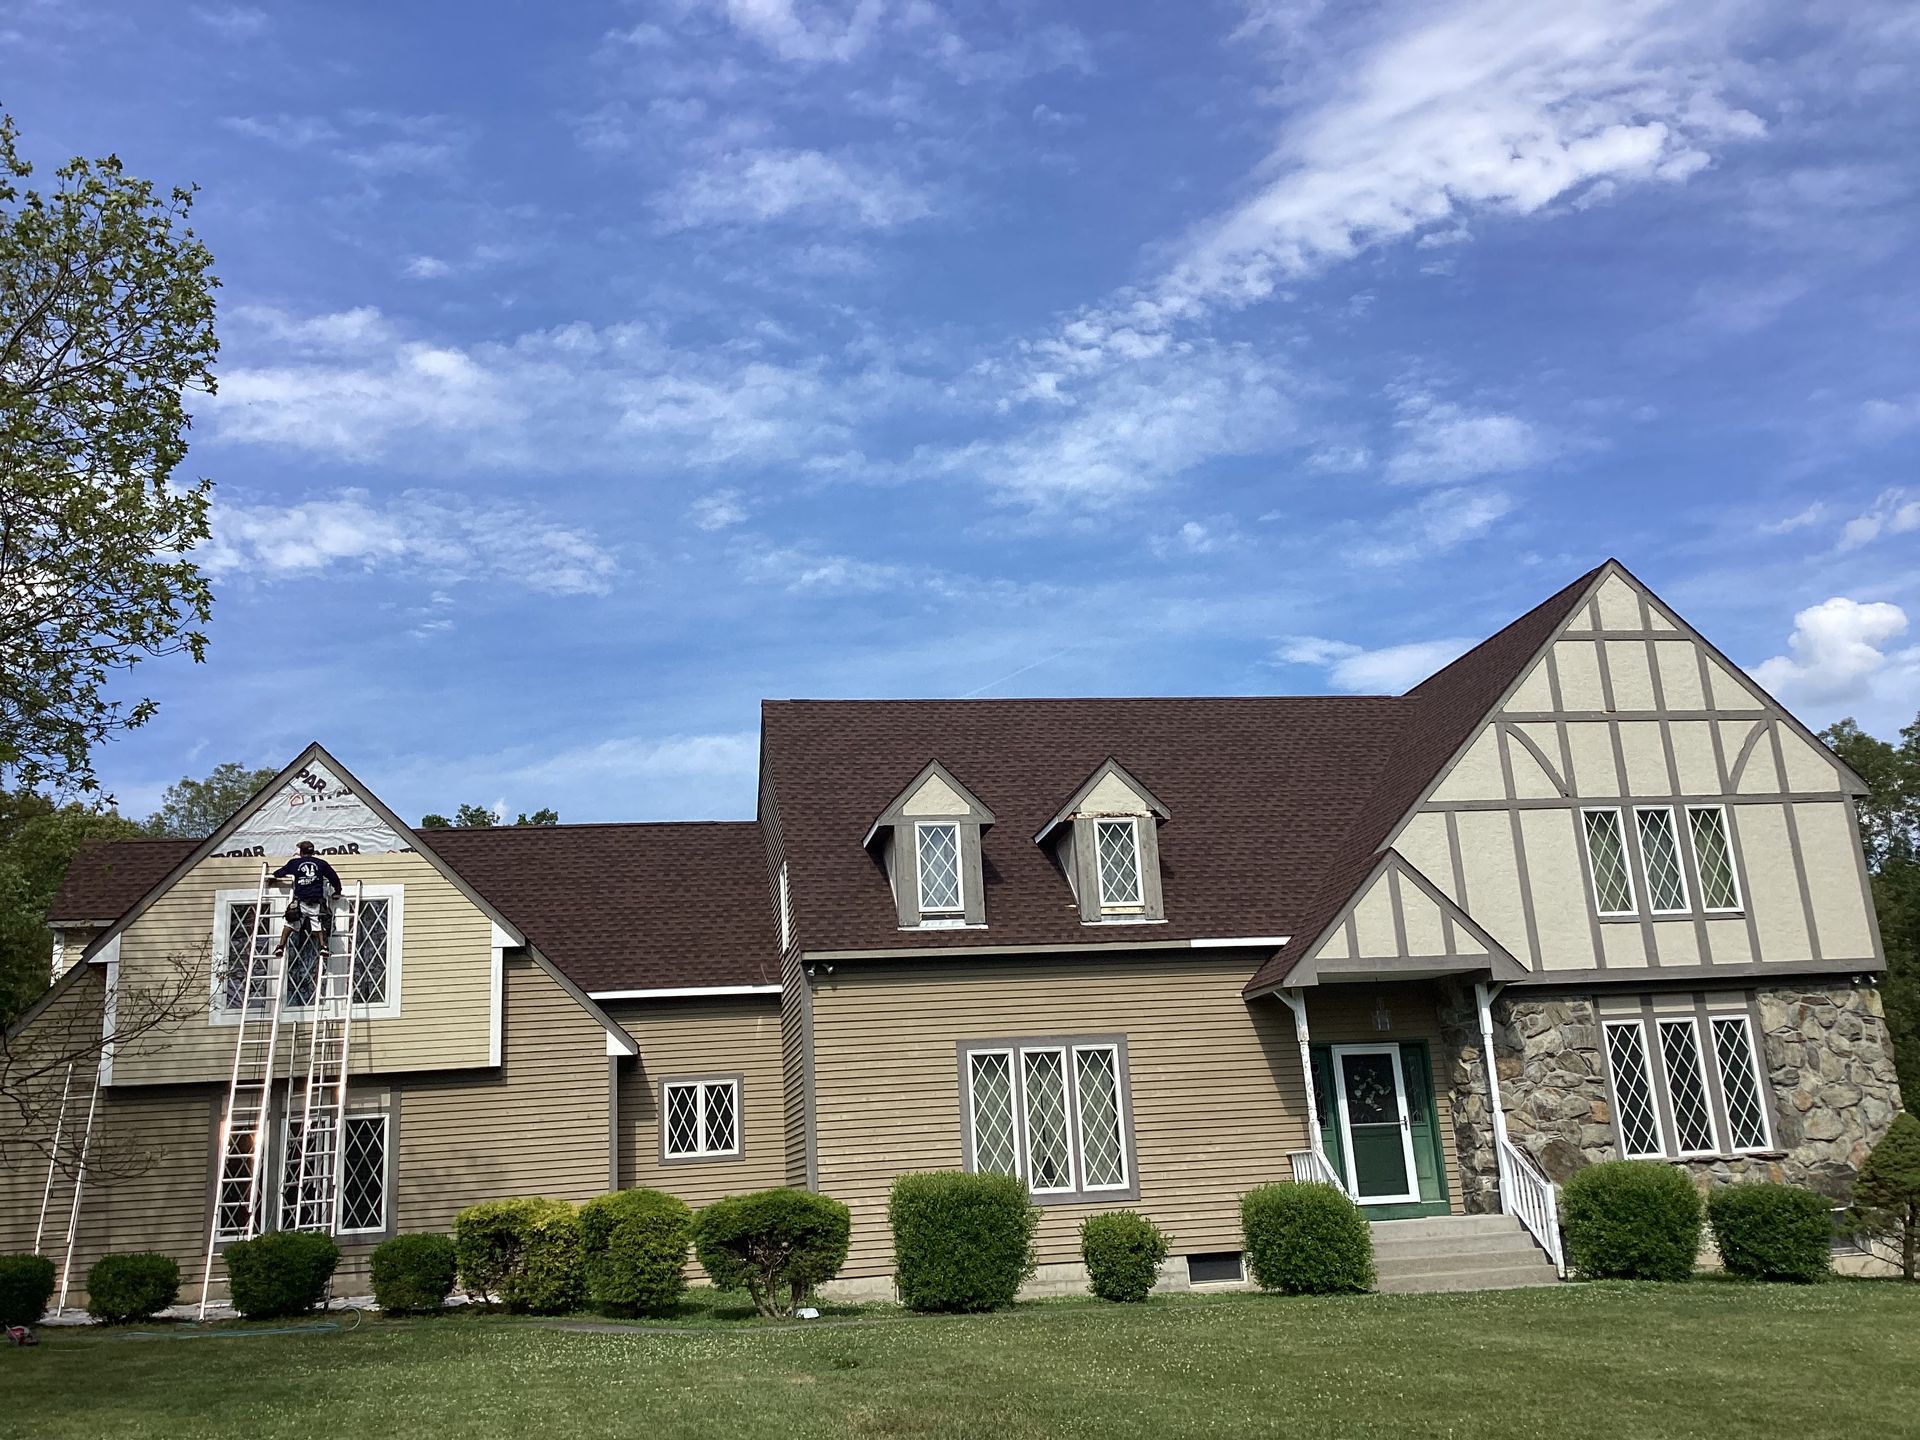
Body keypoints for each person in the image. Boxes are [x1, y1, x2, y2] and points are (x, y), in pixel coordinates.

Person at [271, 840, 343, 959]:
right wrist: (338, 891)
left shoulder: (294, 863)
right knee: (318, 924)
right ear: (313, 851)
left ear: (300, 852)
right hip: (315, 901)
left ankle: (280, 946)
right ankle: (323, 947)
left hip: (300, 900)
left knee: (290, 923)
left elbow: (281, 872)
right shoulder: (321, 864)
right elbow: (333, 877)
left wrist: (274, 875)